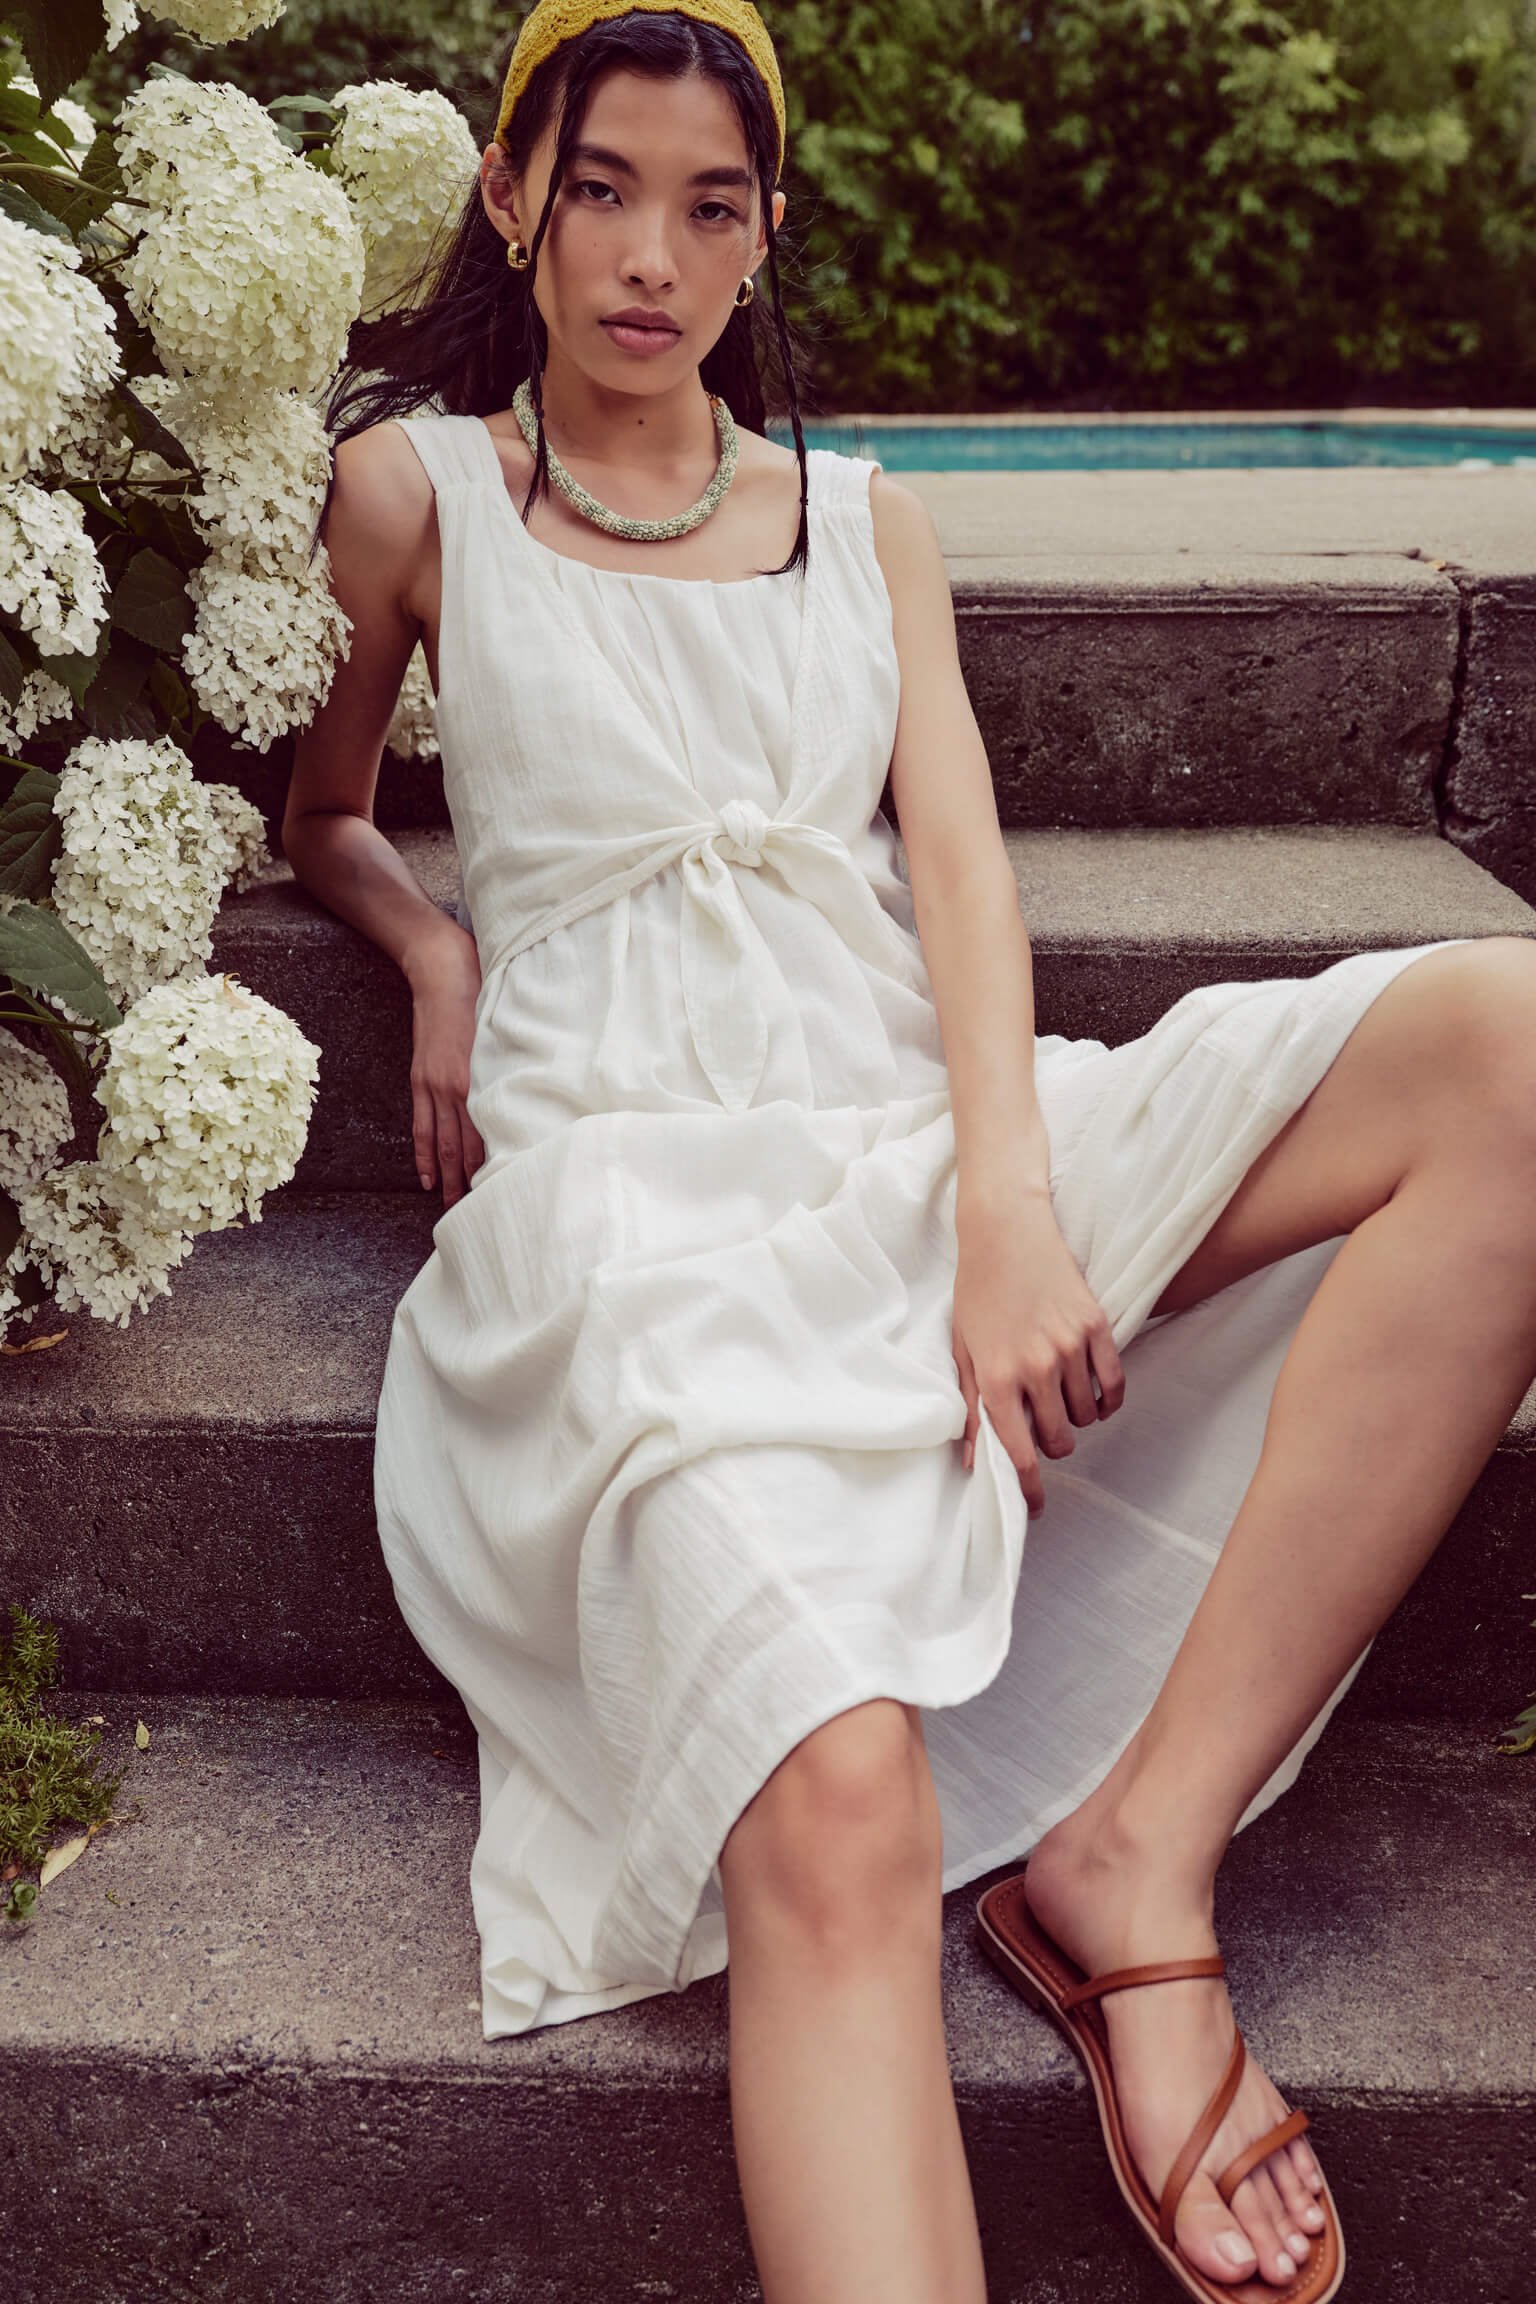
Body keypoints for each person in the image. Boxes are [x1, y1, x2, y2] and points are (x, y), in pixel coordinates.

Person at [283, 4, 1536, 2299]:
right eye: (602, 189)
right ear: (511, 197)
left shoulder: (865, 521)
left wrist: (1008, 1213)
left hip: (917, 1133)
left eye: (714, 204)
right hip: (630, 1224)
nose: (653, 254)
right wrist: (436, 958)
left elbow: (960, 880)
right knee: (834, 1792)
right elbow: (330, 810)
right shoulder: (419, 495)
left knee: (1510, 1045)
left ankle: (1135, 1867)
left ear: (768, 238)